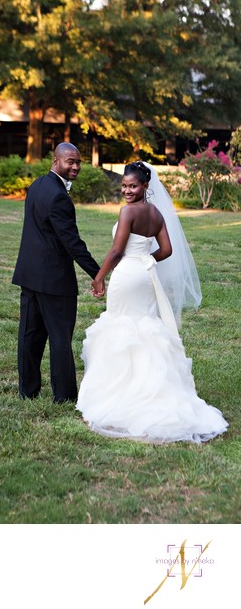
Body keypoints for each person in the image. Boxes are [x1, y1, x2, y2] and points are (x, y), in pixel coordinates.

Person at [77, 161, 227, 443]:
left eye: (133, 186)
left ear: (145, 186)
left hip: (127, 276)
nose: (127, 191)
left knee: (122, 327)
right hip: (146, 276)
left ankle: (121, 393)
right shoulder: (156, 213)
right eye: (123, 186)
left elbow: (116, 251)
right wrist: (148, 260)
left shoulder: (128, 212)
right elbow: (167, 250)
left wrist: (98, 278)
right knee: (144, 327)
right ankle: (152, 388)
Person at [12, 142, 101, 403]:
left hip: (29, 274)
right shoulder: (59, 195)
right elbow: (71, 242)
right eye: (70, 161)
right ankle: (64, 395)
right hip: (53, 279)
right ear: (55, 161)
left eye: (78, 162)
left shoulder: (37, 185)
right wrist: (97, 274)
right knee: (60, 338)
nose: (75, 166)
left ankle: (27, 390)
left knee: (30, 335)